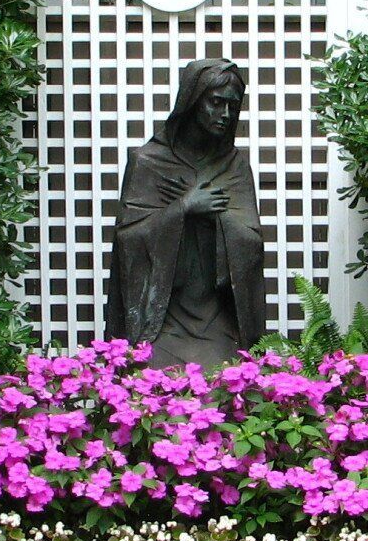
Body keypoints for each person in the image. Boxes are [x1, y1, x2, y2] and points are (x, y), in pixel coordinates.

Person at [105, 57, 268, 368]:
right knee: (153, 379)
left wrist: (215, 218)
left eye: (232, 106)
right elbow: (128, 241)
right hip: (162, 317)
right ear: (192, 101)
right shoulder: (148, 162)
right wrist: (183, 209)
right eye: (216, 102)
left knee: (225, 382)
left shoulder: (235, 166)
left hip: (216, 317)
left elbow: (251, 243)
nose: (225, 114)